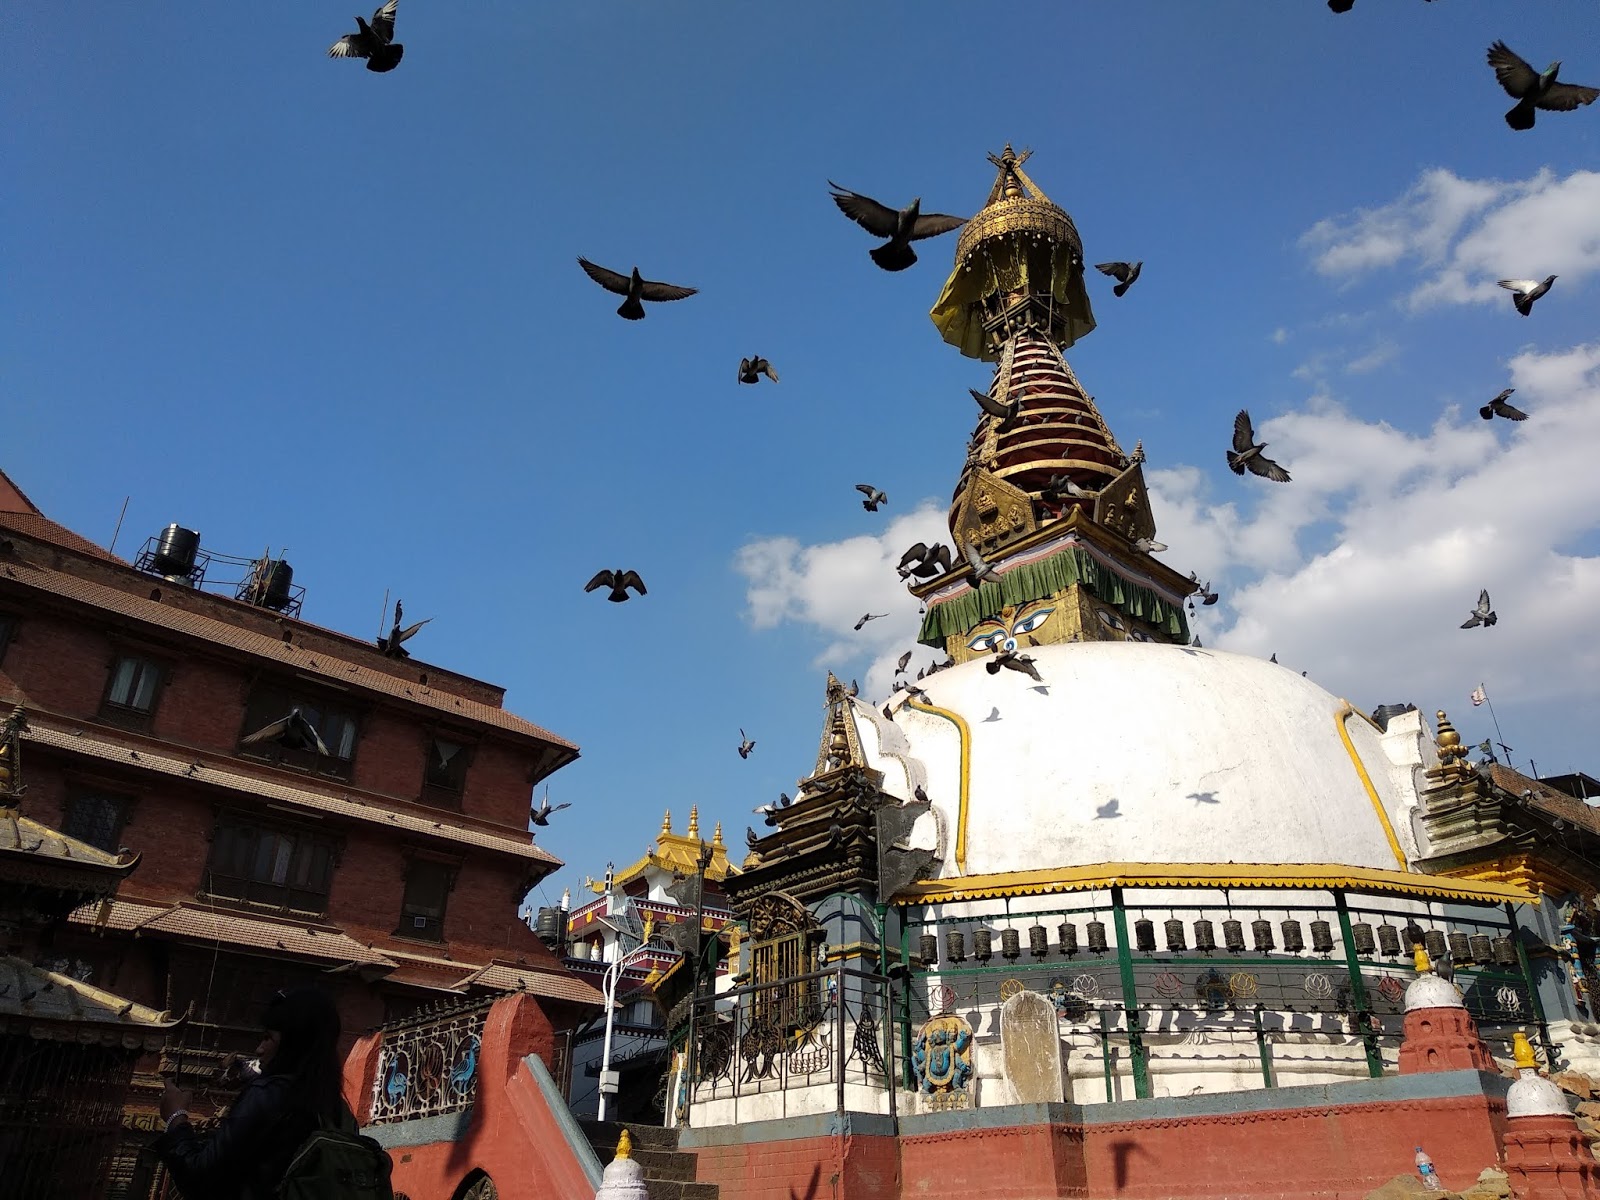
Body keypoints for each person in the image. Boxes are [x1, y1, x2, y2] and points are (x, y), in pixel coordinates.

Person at [153, 986, 355, 1199]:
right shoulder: (338, 1113)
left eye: (268, 1038)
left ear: (292, 1044)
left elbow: (200, 1178)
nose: (259, 1049)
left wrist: (176, 1117)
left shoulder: (268, 1096)